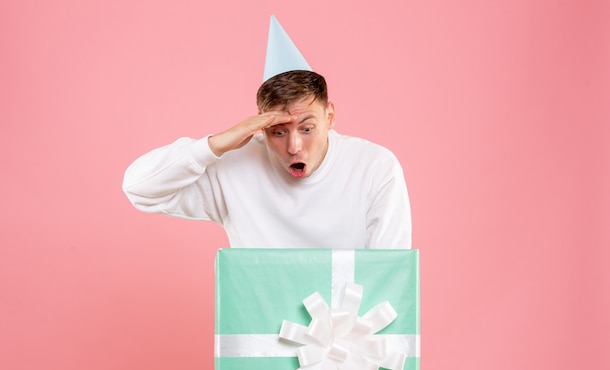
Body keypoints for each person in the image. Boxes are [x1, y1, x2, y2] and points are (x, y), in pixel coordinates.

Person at [122, 70, 411, 249]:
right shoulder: (236, 166)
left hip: (347, 338)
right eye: (278, 131)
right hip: (257, 336)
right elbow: (139, 189)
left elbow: (392, 269)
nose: (294, 146)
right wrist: (216, 144)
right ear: (261, 127)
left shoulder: (375, 167)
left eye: (307, 129)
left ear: (330, 116)